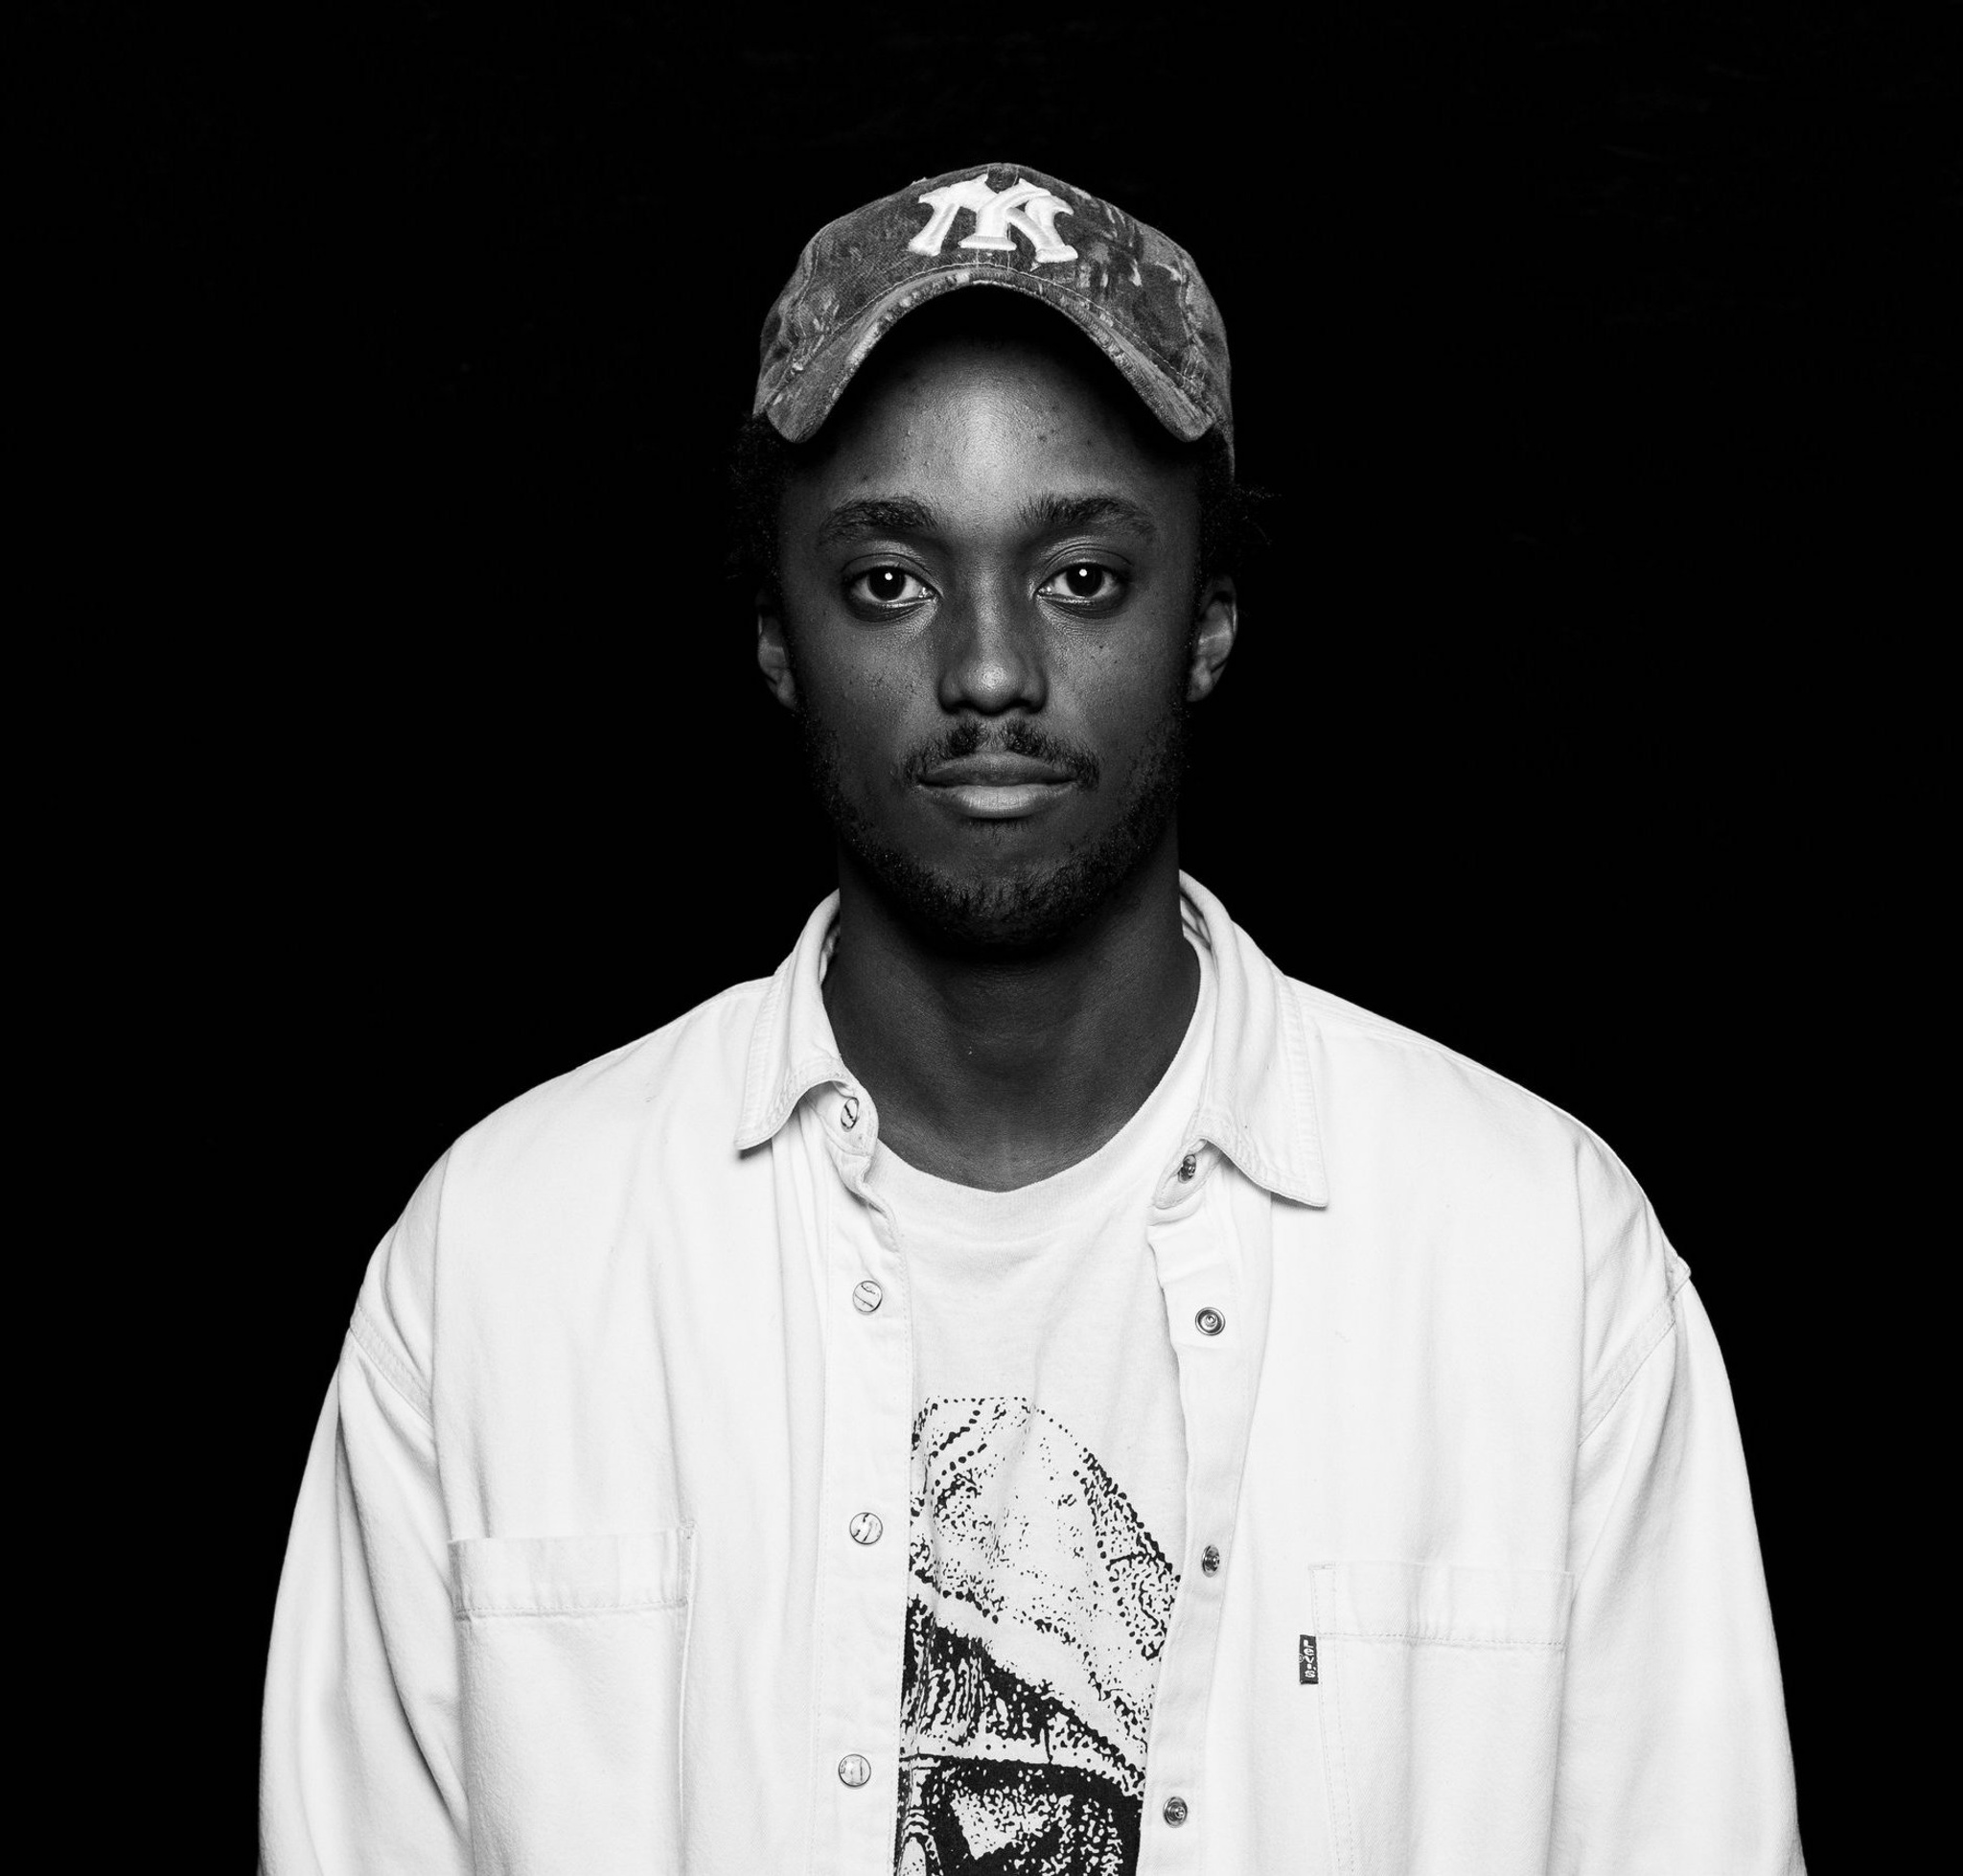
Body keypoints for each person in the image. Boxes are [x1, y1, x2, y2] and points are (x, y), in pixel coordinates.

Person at [260, 163, 1804, 1875]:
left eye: (1078, 574)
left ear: (1209, 615)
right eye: (888, 580)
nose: (989, 672)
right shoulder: (499, 1269)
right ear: (775, 631)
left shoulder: (1537, 1260)